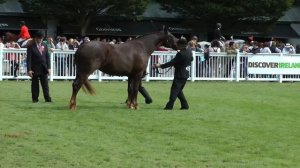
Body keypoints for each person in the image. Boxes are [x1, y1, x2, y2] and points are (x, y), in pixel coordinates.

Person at [153, 38, 193, 110]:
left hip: (179, 74)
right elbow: (191, 59)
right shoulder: (189, 51)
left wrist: (160, 66)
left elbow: (172, 62)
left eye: (178, 45)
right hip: (186, 74)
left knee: (174, 90)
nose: (177, 46)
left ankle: (169, 106)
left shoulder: (180, 53)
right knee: (179, 90)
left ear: (181, 45)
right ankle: (185, 106)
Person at [26, 31, 52, 103]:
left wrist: (49, 68)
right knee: (35, 85)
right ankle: (35, 99)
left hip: (44, 68)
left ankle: (47, 99)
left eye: (41, 38)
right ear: (35, 38)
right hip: (34, 68)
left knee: (45, 85)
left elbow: (47, 57)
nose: (40, 40)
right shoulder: (31, 46)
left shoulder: (45, 45)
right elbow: (28, 59)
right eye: (39, 38)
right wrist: (29, 70)